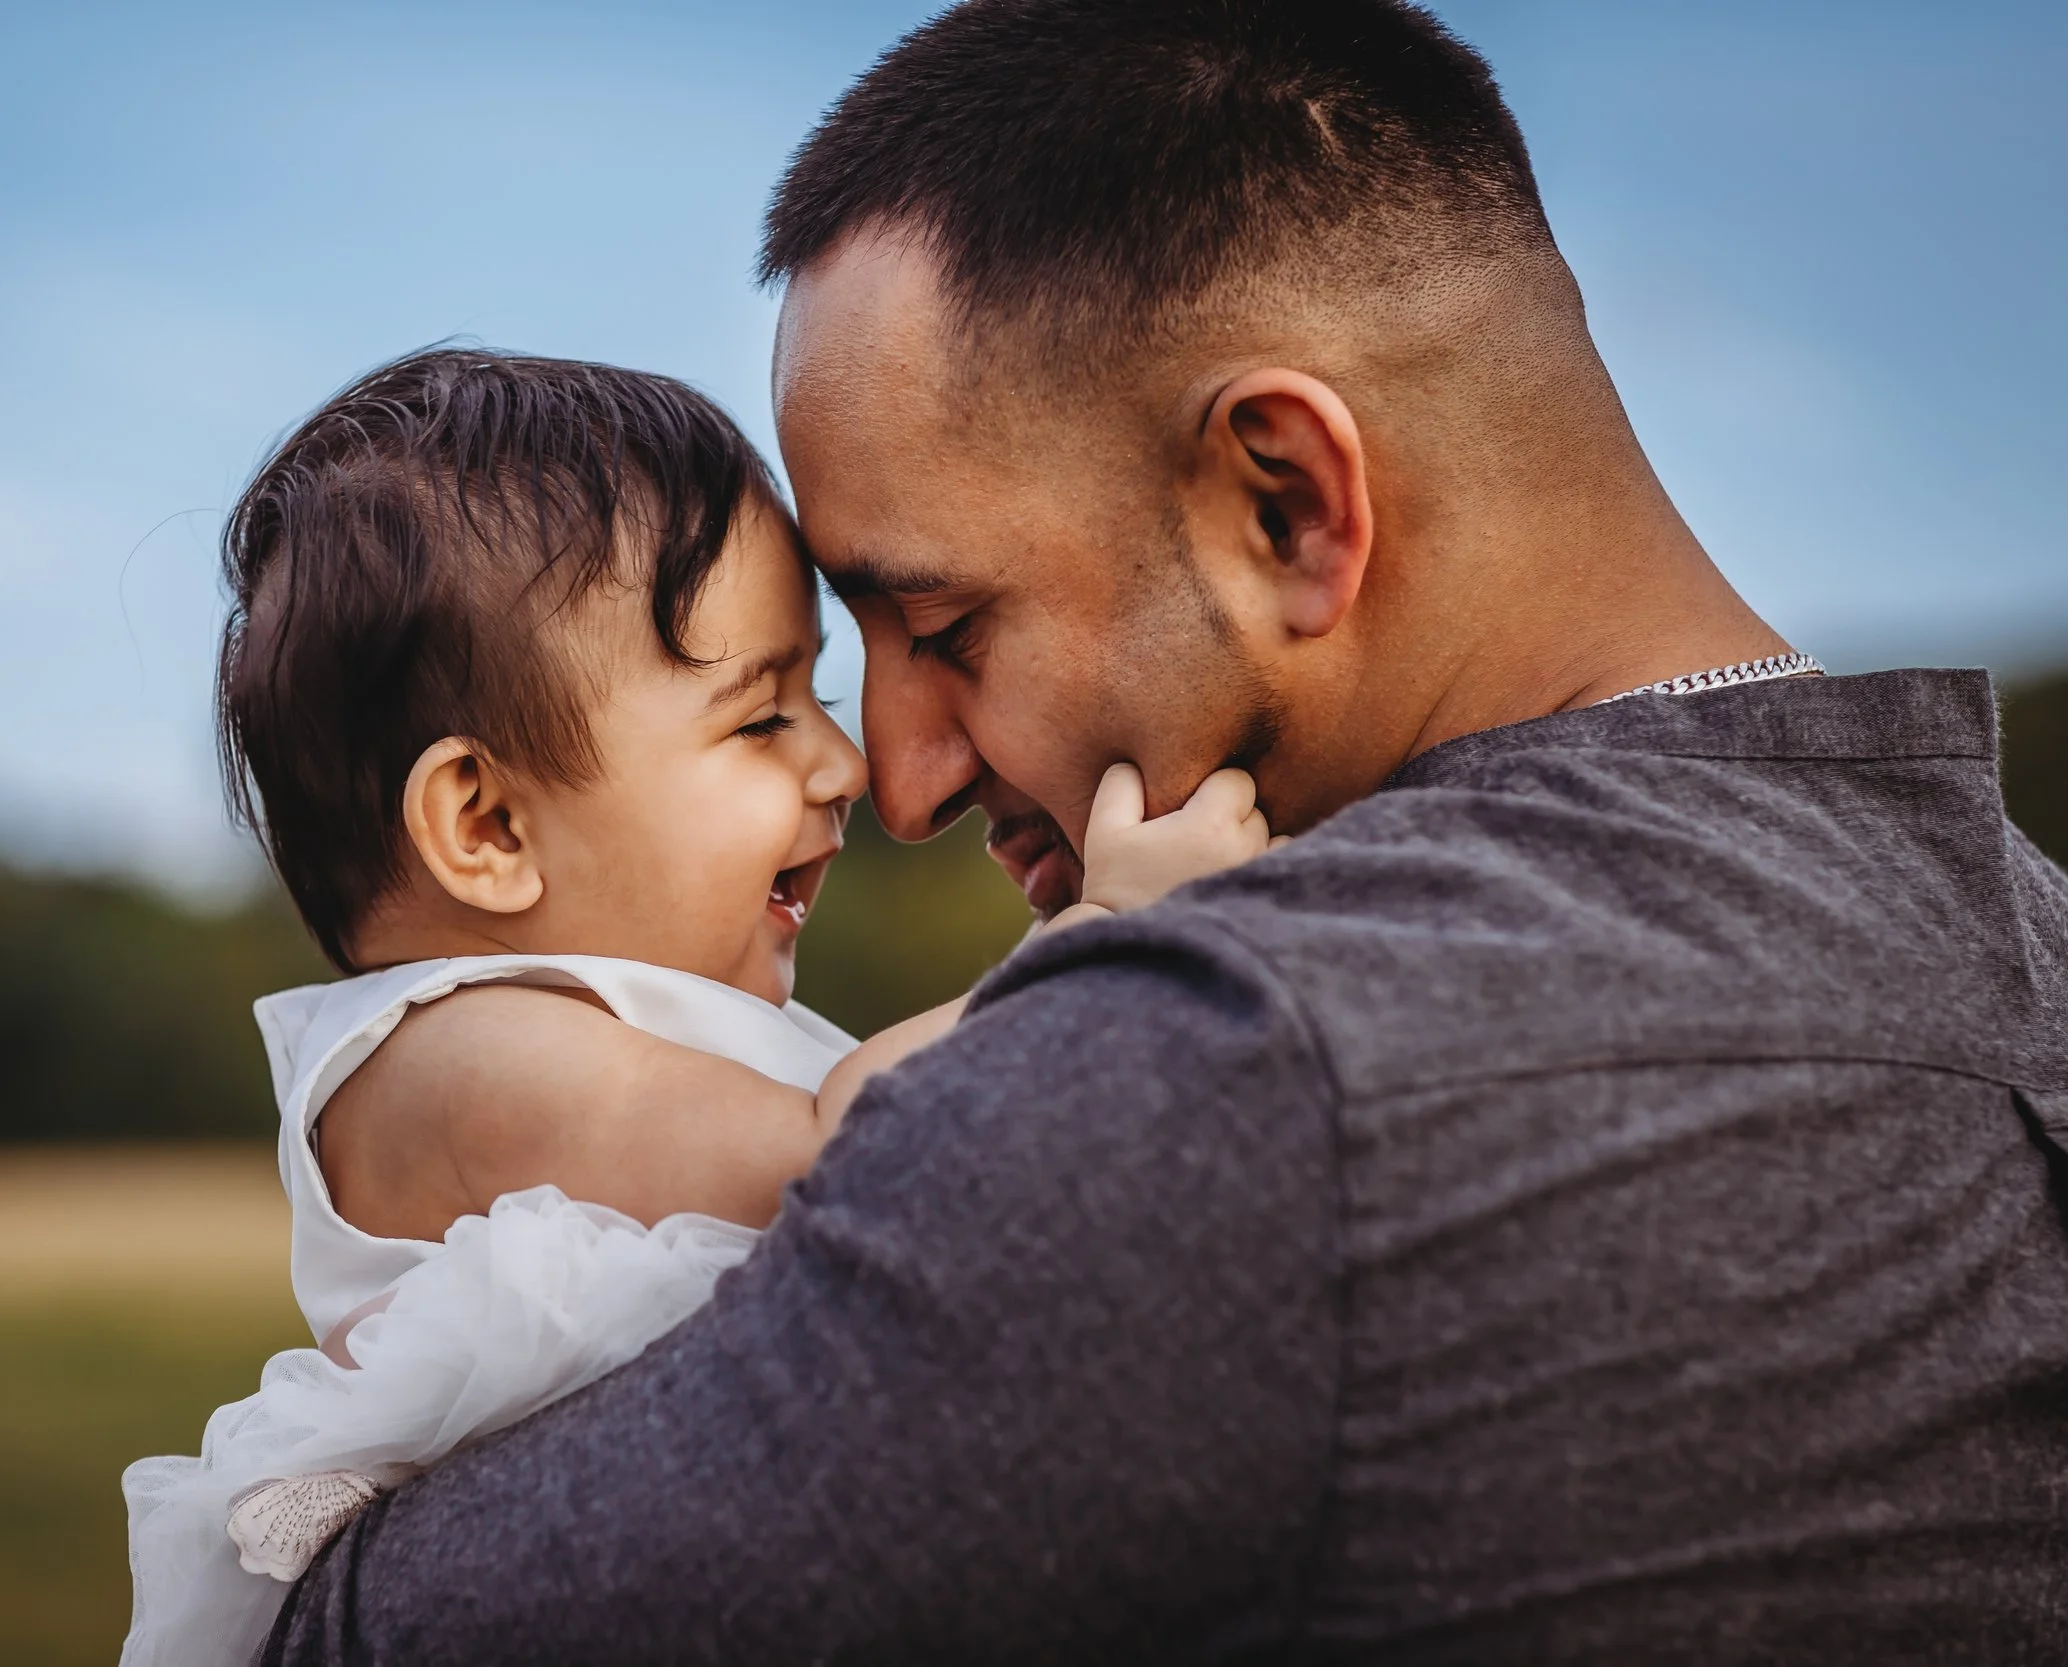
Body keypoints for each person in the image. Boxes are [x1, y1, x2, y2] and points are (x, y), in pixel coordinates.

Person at [259, 2, 2068, 1663]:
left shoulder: (1241, 1068)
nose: (892, 783)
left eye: (947, 630)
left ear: (1285, 504)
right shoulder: (2022, 938)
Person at [116, 349, 1270, 1667]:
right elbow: (856, 1148)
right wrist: (1110, 932)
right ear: (487, 823)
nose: (844, 763)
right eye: (761, 716)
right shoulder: (461, 1053)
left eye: (815, 698)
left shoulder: (639, 1032)